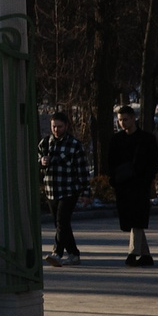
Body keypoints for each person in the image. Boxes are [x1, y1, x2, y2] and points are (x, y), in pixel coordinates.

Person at [109, 106, 158, 265]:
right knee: (131, 220)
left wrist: (148, 178)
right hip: (123, 185)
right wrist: (114, 180)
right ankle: (146, 256)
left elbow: (154, 161)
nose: (122, 123)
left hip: (140, 184)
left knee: (138, 218)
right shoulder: (116, 140)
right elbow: (111, 162)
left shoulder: (146, 139)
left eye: (125, 119)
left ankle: (132, 253)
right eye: (119, 120)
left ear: (133, 118)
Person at [42, 111, 90, 265]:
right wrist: (41, 161)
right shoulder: (45, 143)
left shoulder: (74, 145)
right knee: (60, 224)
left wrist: (85, 191)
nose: (56, 130)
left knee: (62, 221)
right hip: (51, 190)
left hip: (69, 190)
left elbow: (82, 170)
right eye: (54, 126)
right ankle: (73, 253)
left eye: (60, 126)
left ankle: (57, 253)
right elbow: (36, 161)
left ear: (66, 126)